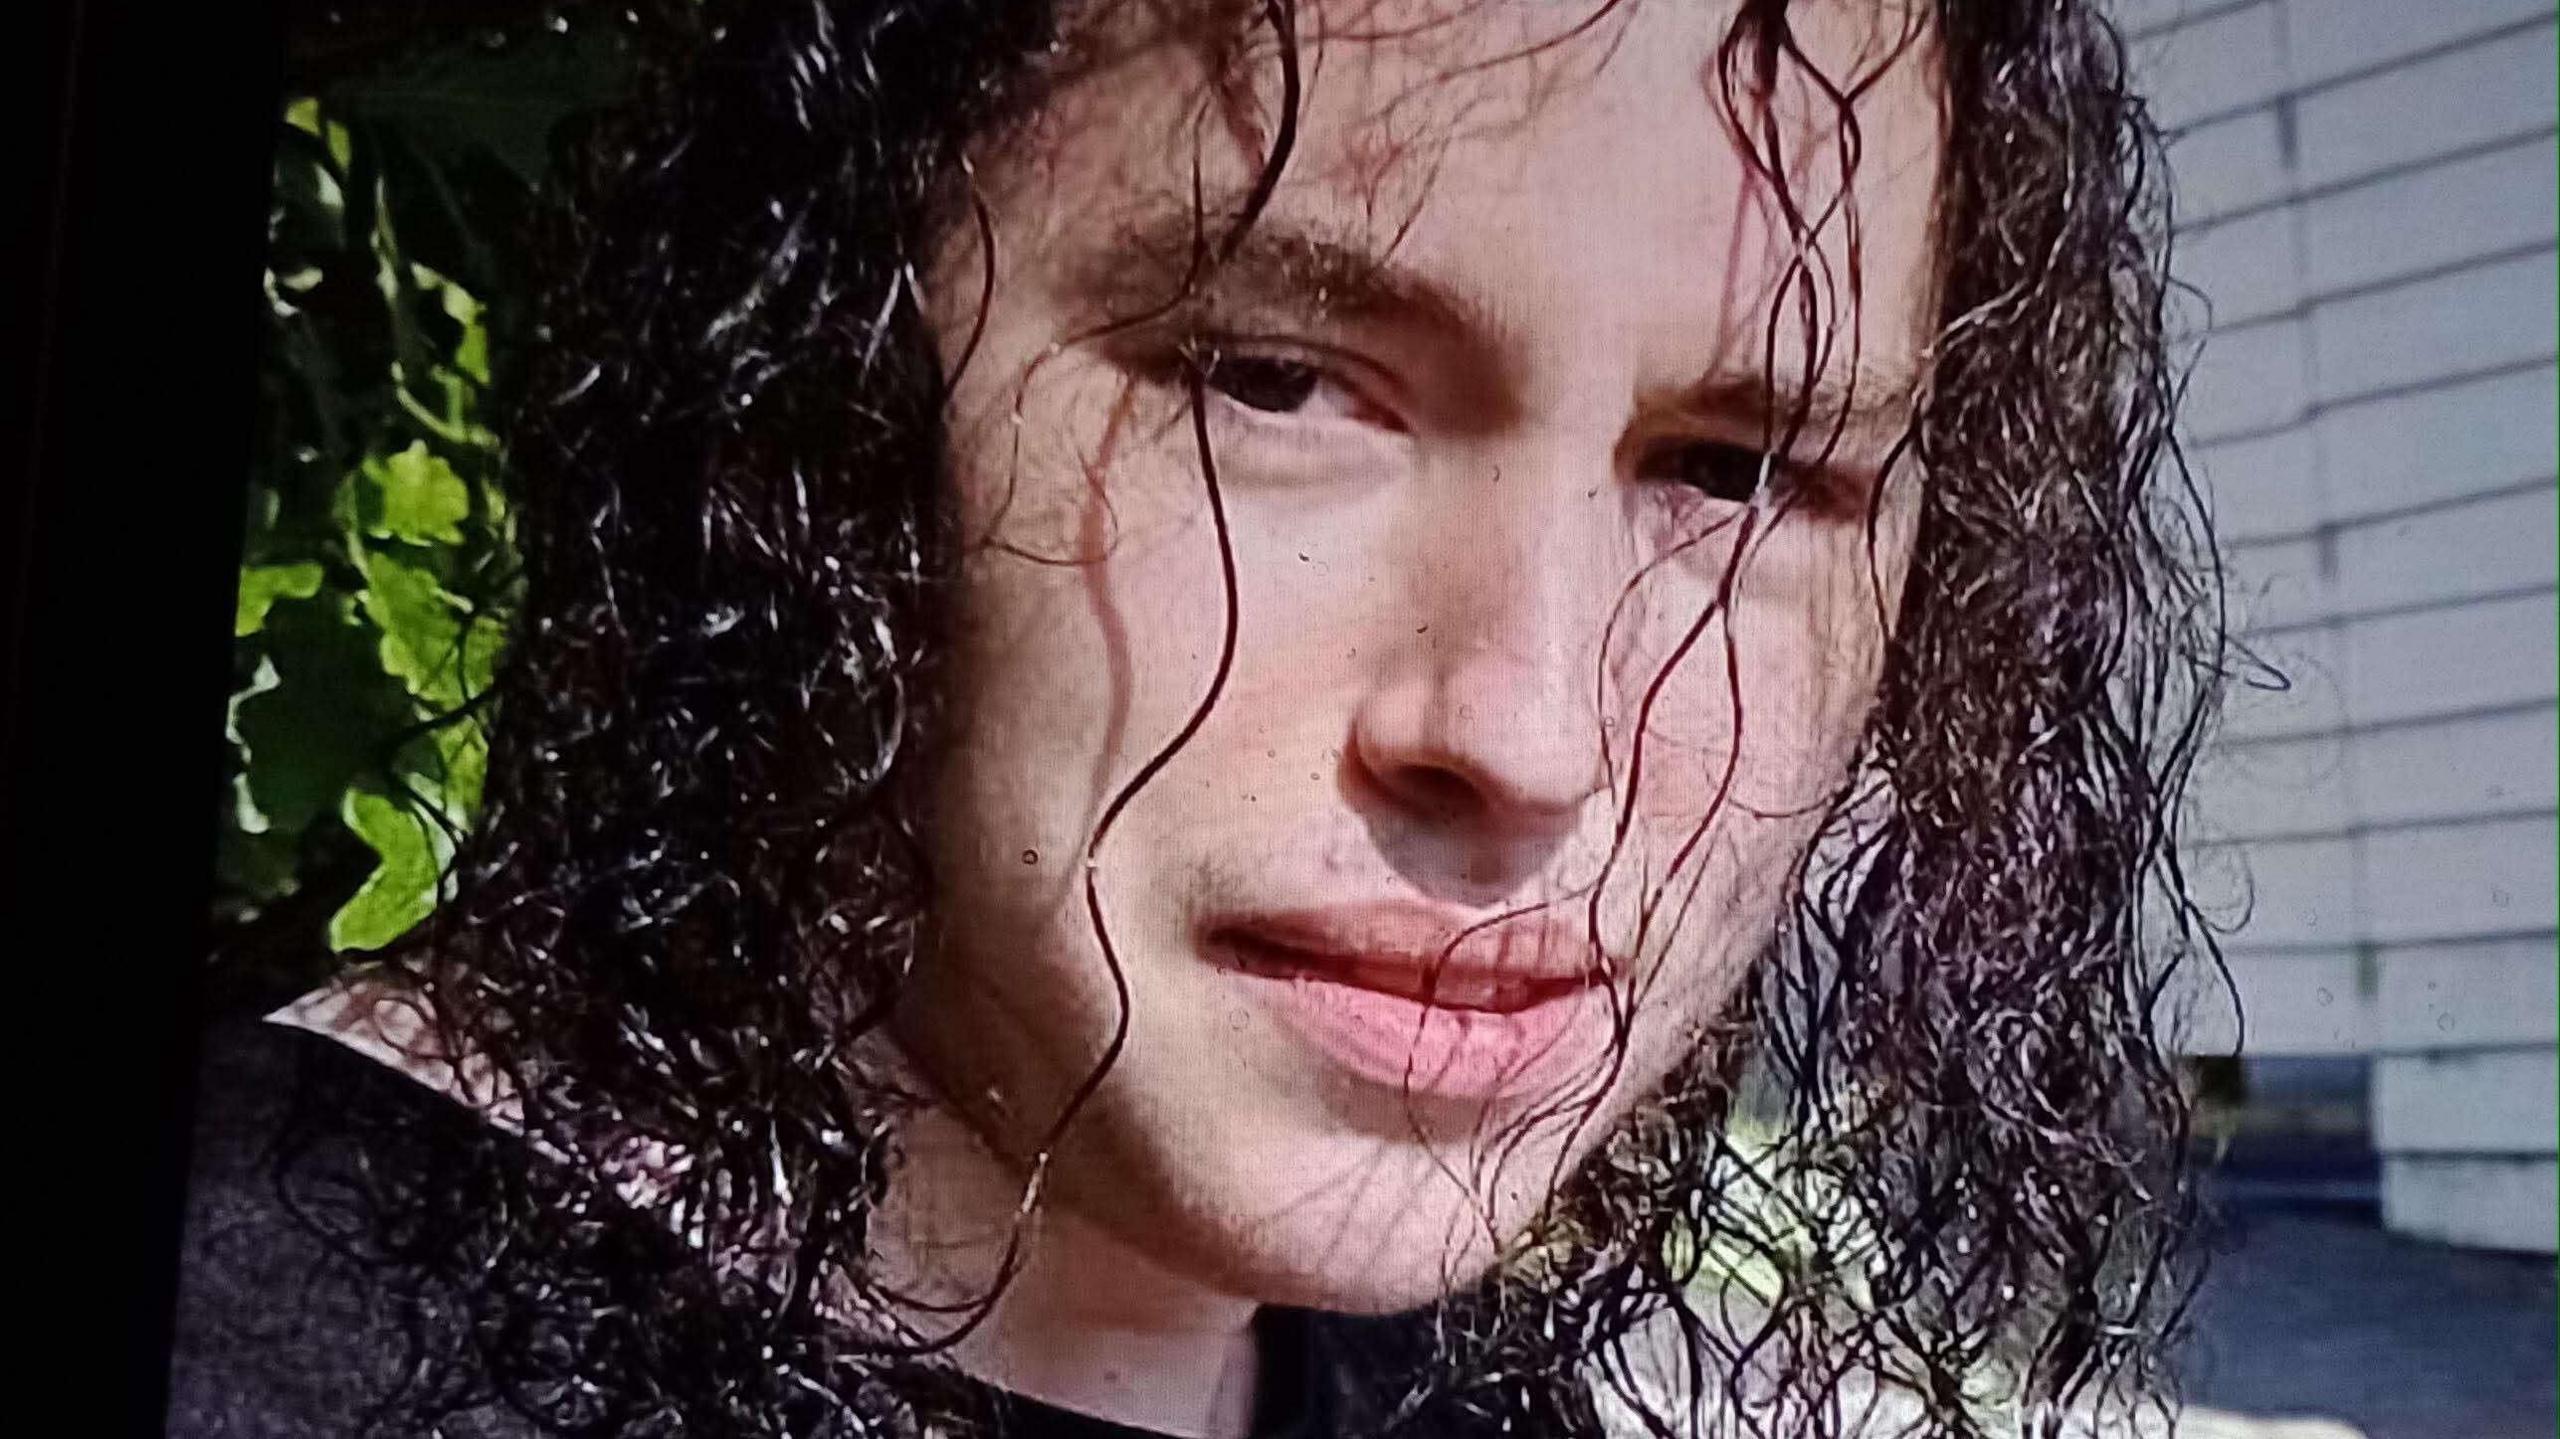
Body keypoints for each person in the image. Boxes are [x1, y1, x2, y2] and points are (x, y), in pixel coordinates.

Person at [165, 1, 2226, 1436]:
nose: (1527, 738)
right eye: (1273, 380)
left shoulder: (1444, 1386)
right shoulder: (237, 1350)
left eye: (1737, 472)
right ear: (816, 376)